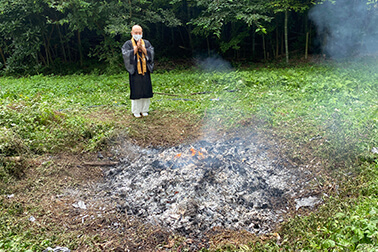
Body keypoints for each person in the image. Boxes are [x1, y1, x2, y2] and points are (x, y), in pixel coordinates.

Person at [121, 25, 154, 118]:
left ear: (142, 33)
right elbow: (126, 55)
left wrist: (143, 48)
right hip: (135, 71)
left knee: (146, 90)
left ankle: (144, 110)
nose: (138, 35)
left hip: (145, 71)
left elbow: (151, 53)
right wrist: (136, 48)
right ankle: (136, 111)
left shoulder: (146, 43)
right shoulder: (128, 44)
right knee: (136, 91)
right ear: (132, 33)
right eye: (136, 33)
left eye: (140, 33)